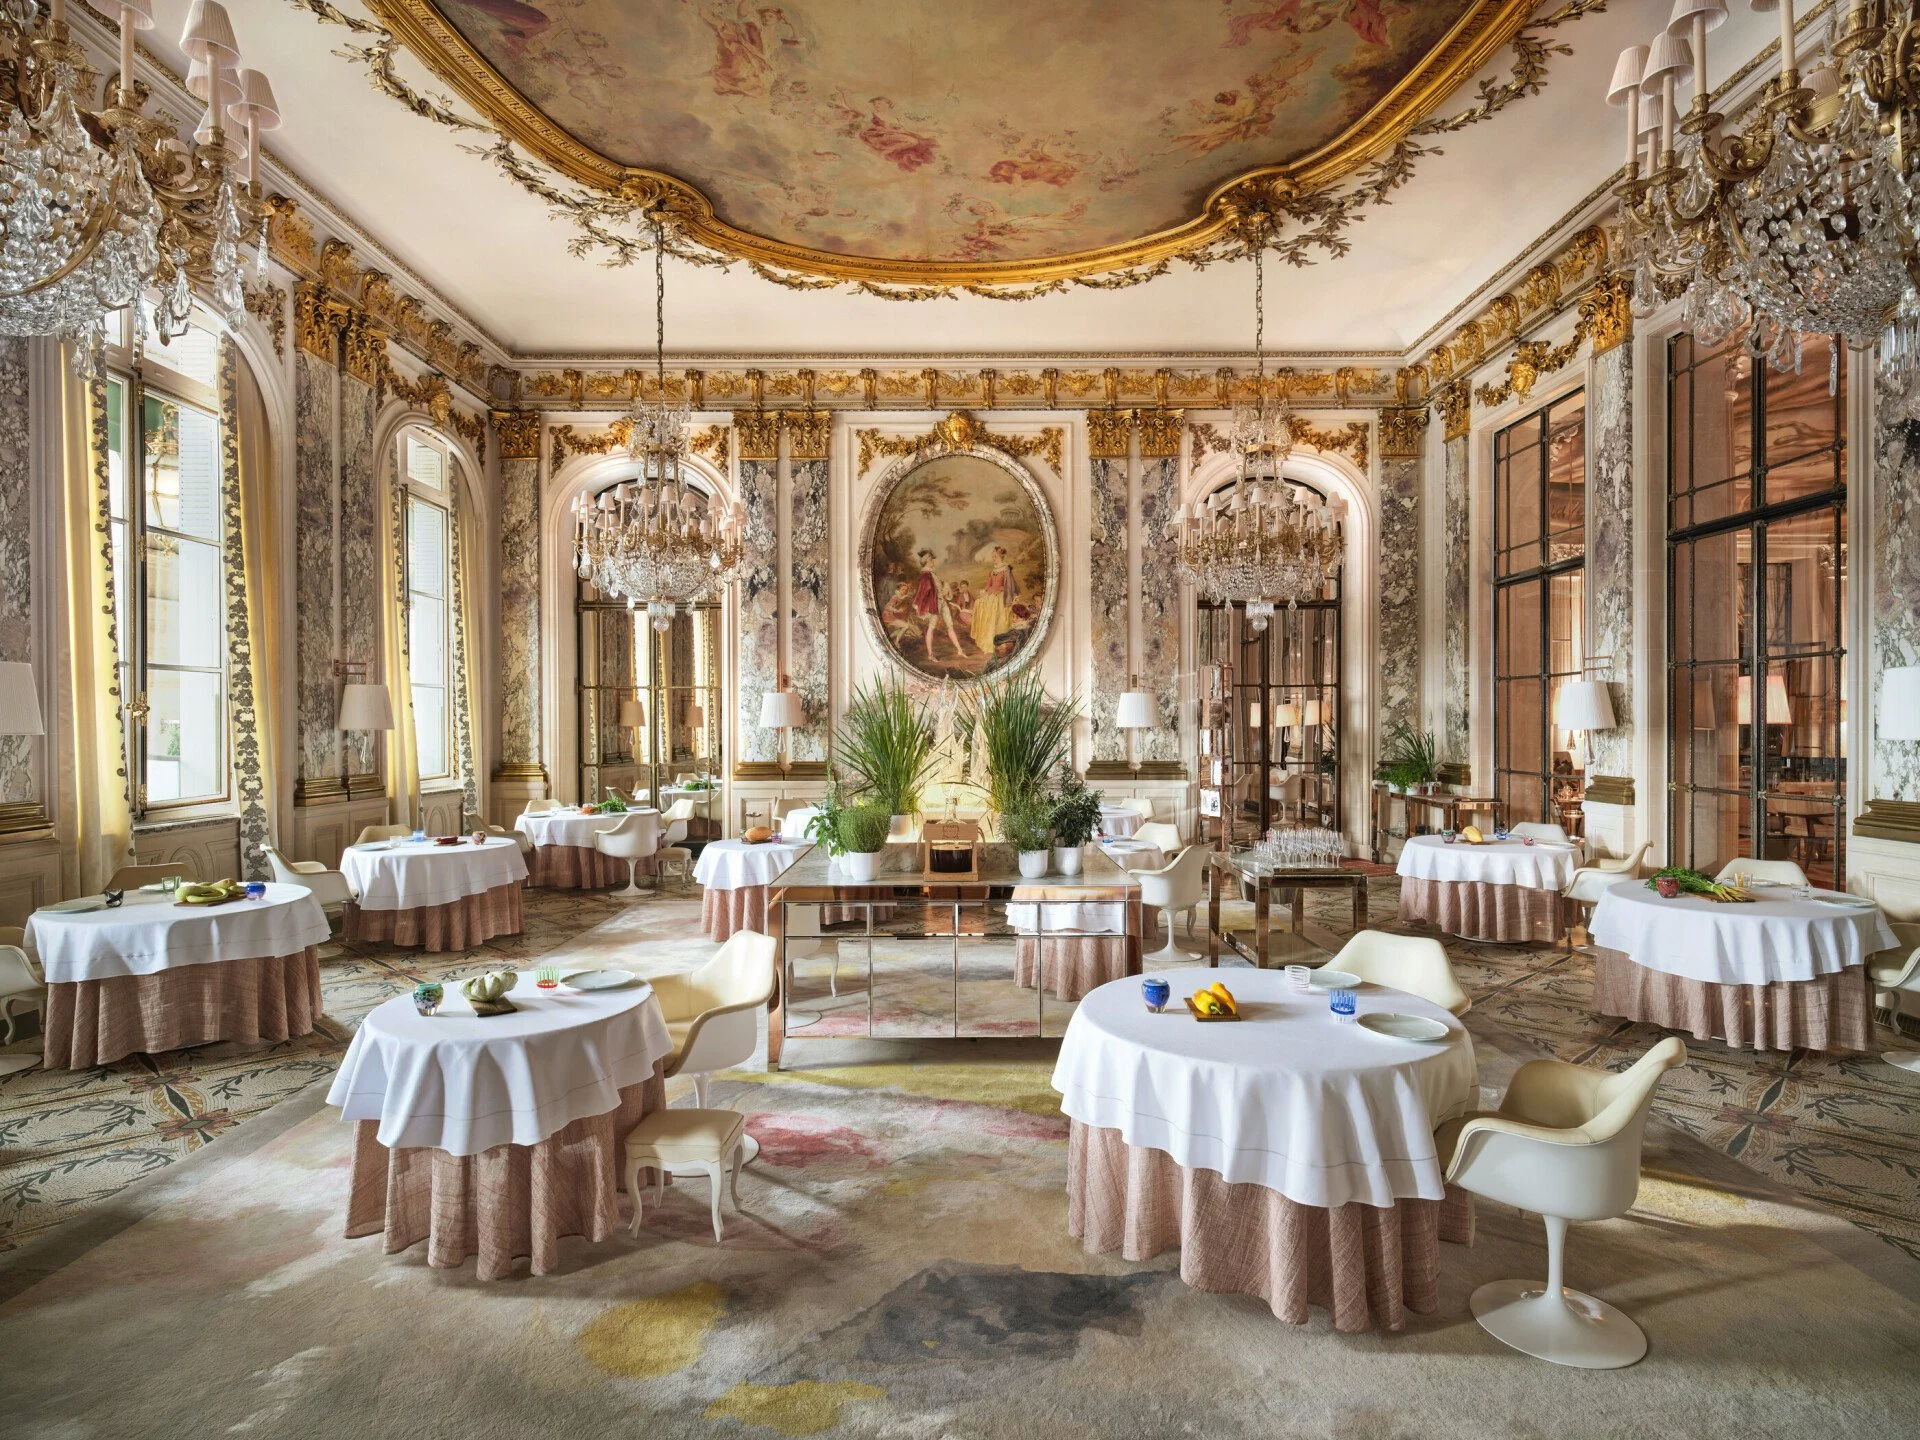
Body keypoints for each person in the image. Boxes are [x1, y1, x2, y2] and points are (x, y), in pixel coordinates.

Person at [969, 545, 1018, 655]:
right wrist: (985, 590)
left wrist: (999, 590)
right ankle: (987, 644)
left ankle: (999, 645)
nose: (993, 558)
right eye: (993, 556)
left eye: (995, 556)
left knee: (997, 618)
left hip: (1001, 596)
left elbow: (1009, 586)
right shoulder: (992, 571)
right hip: (991, 595)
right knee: (979, 604)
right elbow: (988, 584)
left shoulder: (1006, 569)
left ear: (1001, 557)